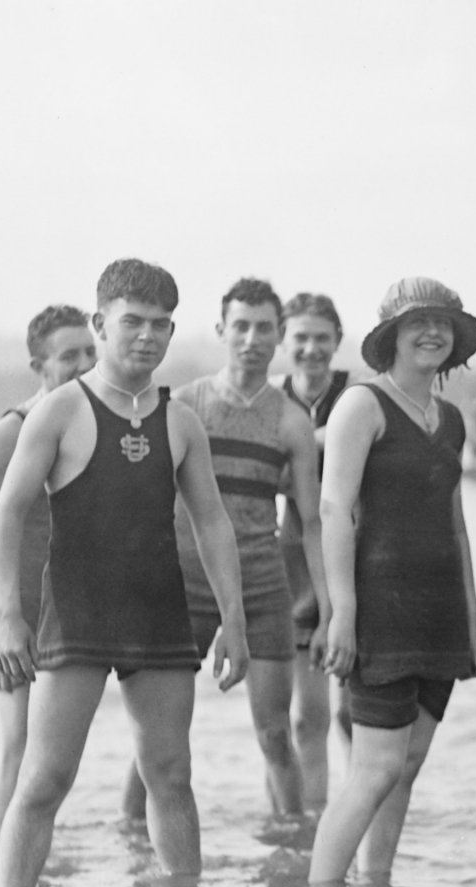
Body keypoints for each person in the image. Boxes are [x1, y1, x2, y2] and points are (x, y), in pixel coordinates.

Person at [0, 258, 249, 887]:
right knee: (45, 780)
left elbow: (213, 524)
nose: (147, 336)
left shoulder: (179, 421)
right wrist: (4, 616)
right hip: (77, 615)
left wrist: (235, 625)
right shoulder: (58, 412)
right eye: (132, 321)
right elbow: (7, 514)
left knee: (171, 775)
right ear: (101, 324)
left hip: (158, 614)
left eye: (161, 325)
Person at [124, 278, 330, 821]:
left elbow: (311, 522)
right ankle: (131, 844)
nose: (252, 338)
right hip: (183, 581)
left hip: (262, 583)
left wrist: (330, 610)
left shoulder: (292, 421)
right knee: (156, 737)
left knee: (274, 733)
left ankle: (291, 855)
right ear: (221, 331)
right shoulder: (185, 403)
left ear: (280, 335)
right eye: (240, 326)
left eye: (265, 327)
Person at [310, 277, 476, 884]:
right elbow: (334, 509)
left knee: (407, 766)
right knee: (374, 769)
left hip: (439, 614)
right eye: (419, 323)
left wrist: (473, 623)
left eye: (443, 323)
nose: (433, 333)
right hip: (380, 609)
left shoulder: (453, 419)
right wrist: (343, 615)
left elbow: (456, 526)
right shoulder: (361, 404)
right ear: (392, 336)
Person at [0, 304, 98, 828]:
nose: (85, 364)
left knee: (55, 756)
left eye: (90, 351)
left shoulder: (92, 426)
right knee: (16, 744)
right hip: (11, 611)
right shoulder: (6, 434)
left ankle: (41, 863)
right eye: (69, 356)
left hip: (71, 612)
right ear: (39, 366)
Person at [277, 292, 353, 810]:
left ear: (338, 343)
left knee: (353, 713)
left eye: (321, 338)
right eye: (300, 338)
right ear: (284, 342)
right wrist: (320, 442)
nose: (311, 349)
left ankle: (357, 811)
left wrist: (319, 439)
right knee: (305, 717)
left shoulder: (359, 396)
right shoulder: (269, 401)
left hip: (354, 555)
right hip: (291, 562)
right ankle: (305, 827)